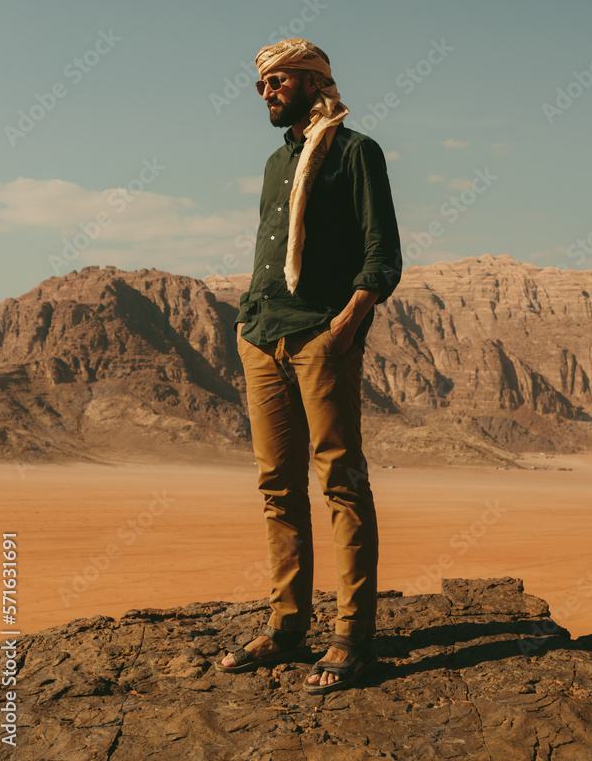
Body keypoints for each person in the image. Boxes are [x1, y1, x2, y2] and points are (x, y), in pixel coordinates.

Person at [214, 38, 401, 694]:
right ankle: (287, 626)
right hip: (262, 335)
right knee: (277, 486)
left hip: (320, 334)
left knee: (341, 481)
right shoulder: (275, 163)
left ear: (315, 80)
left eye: (279, 81)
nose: (267, 92)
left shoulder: (355, 152)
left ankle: (353, 638)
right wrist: (247, 321)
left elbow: (382, 253)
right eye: (261, 84)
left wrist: (344, 325)